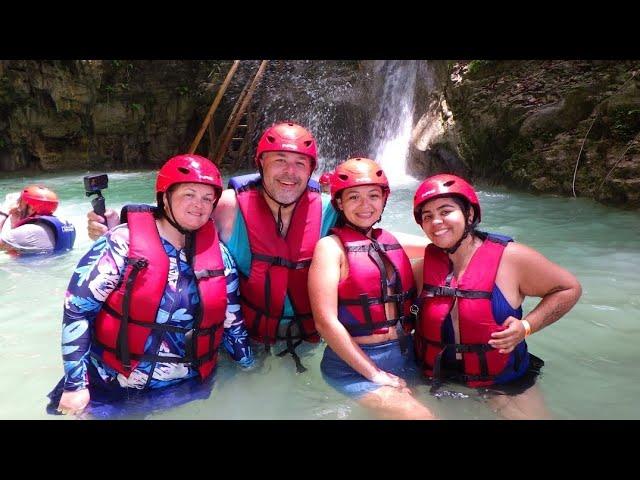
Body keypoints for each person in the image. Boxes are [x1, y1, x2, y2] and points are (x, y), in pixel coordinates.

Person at [87, 122, 427, 373]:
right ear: (260, 163)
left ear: (312, 170)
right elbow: (170, 218)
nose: (289, 173)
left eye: (299, 164)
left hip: (312, 342)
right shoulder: (228, 207)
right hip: (243, 341)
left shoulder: (328, 210)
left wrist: (445, 244)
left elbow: (384, 242)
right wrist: (113, 225)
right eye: (279, 160)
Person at [48, 154, 254, 418]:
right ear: (164, 197)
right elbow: (77, 310)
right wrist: (75, 385)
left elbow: (232, 324)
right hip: (109, 386)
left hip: (182, 391)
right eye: (189, 194)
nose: (199, 205)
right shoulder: (121, 243)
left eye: (207, 198)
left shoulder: (220, 258)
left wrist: (250, 368)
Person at [411, 173, 582, 419]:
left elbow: (569, 289)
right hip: (438, 381)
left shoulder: (512, 259)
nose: (436, 221)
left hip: (504, 382)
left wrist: (527, 326)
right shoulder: (420, 269)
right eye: (428, 216)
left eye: (445, 211)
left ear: (469, 214)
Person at [308, 157, 435, 420]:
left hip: (405, 356)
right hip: (353, 367)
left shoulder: (390, 240)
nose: (366, 205)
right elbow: (325, 323)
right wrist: (374, 374)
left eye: (373, 196)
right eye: (354, 197)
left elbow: (441, 245)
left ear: (384, 200)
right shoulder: (330, 248)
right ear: (340, 203)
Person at [0, 185, 76, 255]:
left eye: (20, 204)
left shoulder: (29, 231)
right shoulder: (67, 225)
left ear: (32, 208)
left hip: (30, 269)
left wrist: (4, 213)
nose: (18, 208)